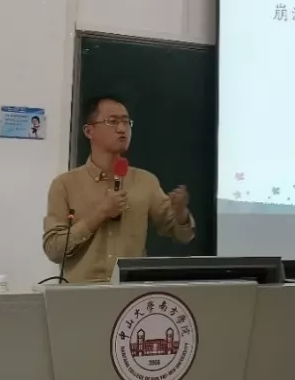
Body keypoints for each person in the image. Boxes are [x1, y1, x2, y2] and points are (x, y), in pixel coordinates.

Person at [42, 95, 194, 283]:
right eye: (112, 121)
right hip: (81, 293)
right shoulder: (65, 184)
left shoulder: (145, 181)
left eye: (126, 122)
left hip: (130, 293)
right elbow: (54, 250)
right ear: (89, 131)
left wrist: (180, 214)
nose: (122, 129)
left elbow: (183, 236)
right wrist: (100, 213)